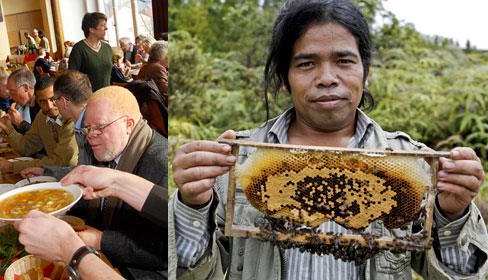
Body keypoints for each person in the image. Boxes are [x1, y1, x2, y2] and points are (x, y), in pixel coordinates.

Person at [24, 0, 488, 278]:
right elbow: (191, 270)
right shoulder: (238, 163)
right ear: (285, 78)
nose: (327, 78)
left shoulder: (408, 162)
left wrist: (453, 213)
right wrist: (192, 203)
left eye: (344, 61)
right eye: (307, 64)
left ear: (365, 73)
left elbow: (463, 272)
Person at [24, 86, 174, 279]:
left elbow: (163, 250)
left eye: (99, 127)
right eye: (87, 128)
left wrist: (100, 240)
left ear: (128, 124)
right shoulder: (114, 146)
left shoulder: (163, 163)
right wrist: (47, 181)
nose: (90, 135)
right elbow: (83, 176)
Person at [0, 77, 77, 174]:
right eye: (43, 101)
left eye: (53, 99)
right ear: (37, 101)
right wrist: (9, 129)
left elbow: (59, 162)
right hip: (53, 174)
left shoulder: (72, 119)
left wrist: (12, 166)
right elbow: (26, 147)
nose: (49, 106)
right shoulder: (42, 116)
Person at [69, 12, 113, 92]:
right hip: (88, 98)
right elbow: (72, 77)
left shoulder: (107, 48)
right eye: (103, 25)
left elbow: (110, 74)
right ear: (91, 29)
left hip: (107, 96)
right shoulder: (79, 49)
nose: (106, 28)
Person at [0, 67, 41, 134]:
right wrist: (7, 125)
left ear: (26, 88)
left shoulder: (43, 105)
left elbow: (40, 138)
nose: (11, 97)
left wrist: (20, 123)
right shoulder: (26, 104)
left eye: (13, 92)